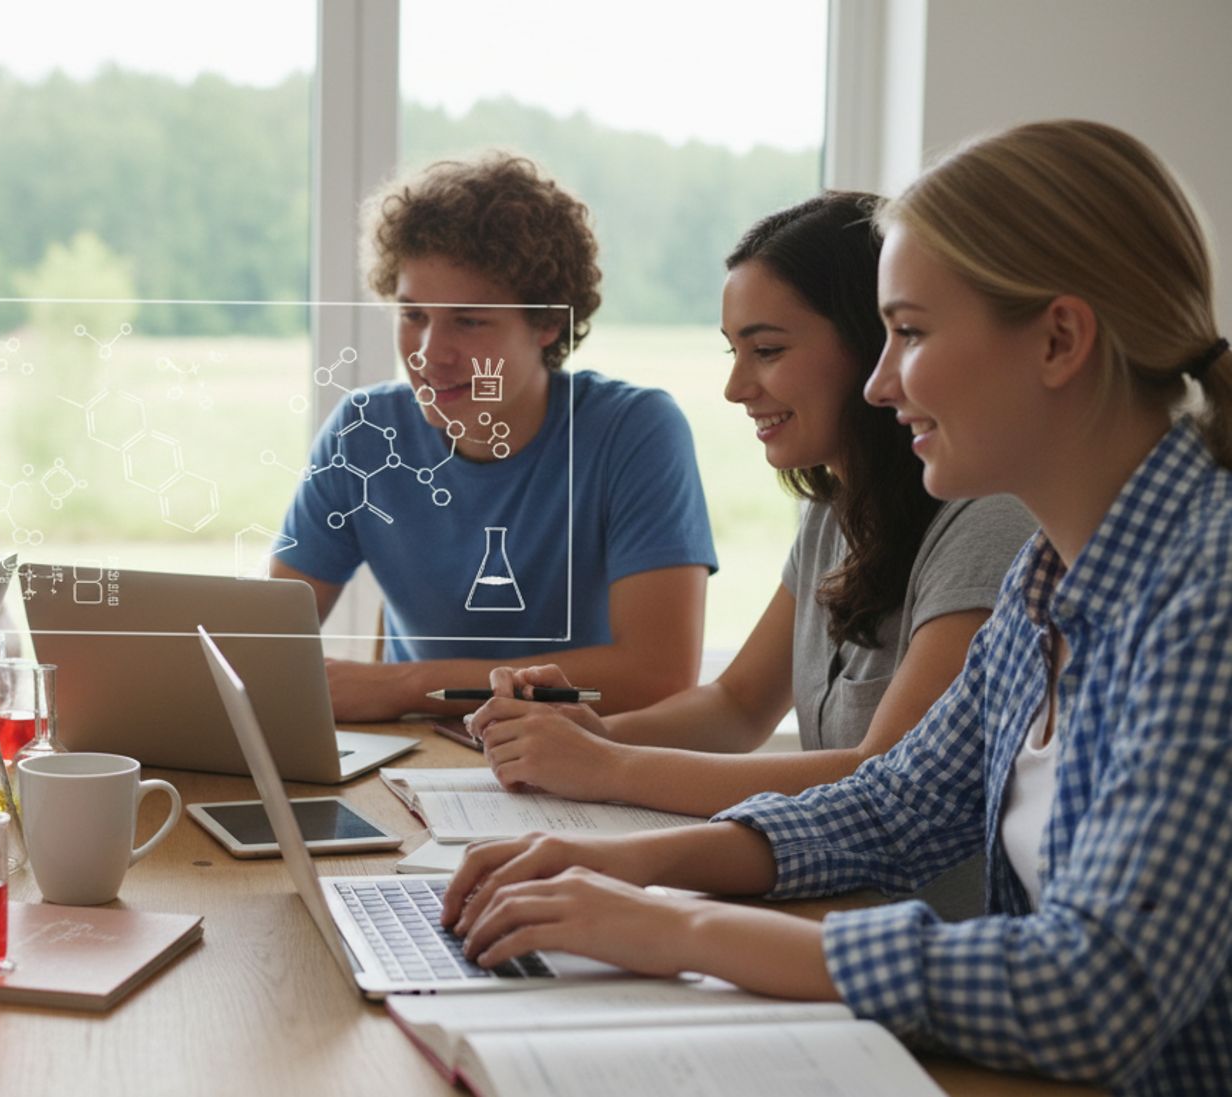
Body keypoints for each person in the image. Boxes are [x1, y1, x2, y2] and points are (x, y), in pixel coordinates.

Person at [443, 120, 1232, 1093]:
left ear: (1060, 339)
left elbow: (1095, 990)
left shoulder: (1208, 595)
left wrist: (680, 927)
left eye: (910, 332)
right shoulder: (1048, 576)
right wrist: (622, 865)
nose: (880, 380)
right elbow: (895, 805)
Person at [467, 195, 1034, 840]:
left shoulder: (988, 520)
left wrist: (609, 765)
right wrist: (587, 735)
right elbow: (736, 706)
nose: (736, 387)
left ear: (872, 344)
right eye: (732, 351)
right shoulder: (834, 508)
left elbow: (877, 776)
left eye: (766, 350)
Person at [273, 153, 716, 722]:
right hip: (420, 766)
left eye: (469, 320)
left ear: (548, 323)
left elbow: (658, 676)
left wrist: (408, 685)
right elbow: (270, 643)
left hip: (578, 771)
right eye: (413, 315)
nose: (430, 352)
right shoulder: (364, 433)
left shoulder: (633, 431)